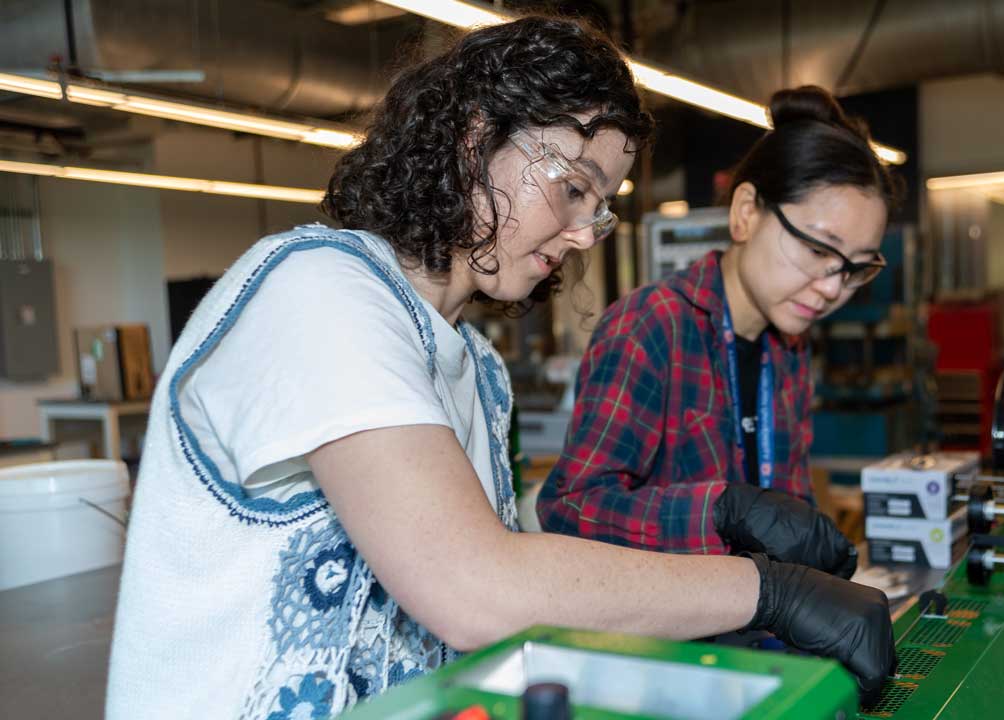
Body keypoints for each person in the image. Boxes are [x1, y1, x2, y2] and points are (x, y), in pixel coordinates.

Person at [105, 18, 893, 719]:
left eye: (600, 206)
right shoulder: (317, 288)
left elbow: (520, 598)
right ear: (475, 136)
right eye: (573, 187)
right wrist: (769, 589)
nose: (586, 233)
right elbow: (475, 589)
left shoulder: (477, 372)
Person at [538, 86, 896, 577]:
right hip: (663, 639)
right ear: (746, 212)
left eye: (854, 269)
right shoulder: (650, 328)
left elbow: (786, 498)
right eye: (818, 251)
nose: (833, 287)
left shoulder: (787, 346)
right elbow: (571, 510)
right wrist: (723, 512)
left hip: (755, 626)